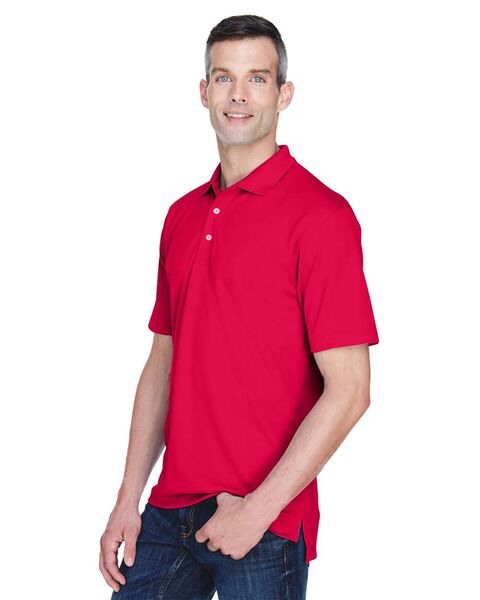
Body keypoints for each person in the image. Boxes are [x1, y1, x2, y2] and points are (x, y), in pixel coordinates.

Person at [99, 14, 379, 600]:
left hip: (265, 522)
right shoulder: (182, 215)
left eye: (257, 78)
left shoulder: (322, 217)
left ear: (284, 94)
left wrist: (258, 510)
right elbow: (162, 364)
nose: (238, 95)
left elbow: (350, 390)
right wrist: (128, 498)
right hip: (169, 512)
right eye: (224, 77)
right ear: (204, 92)